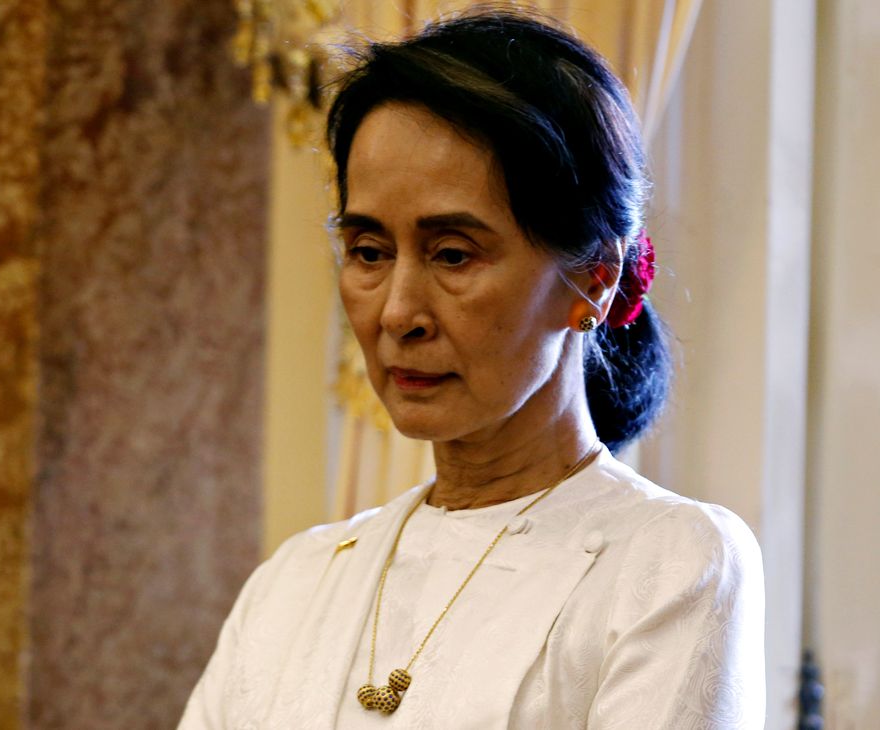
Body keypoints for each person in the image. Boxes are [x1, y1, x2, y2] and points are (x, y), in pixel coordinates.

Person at [179, 8, 765, 729]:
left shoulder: (667, 566)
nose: (397, 312)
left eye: (453, 253)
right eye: (368, 250)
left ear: (596, 277)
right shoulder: (297, 581)